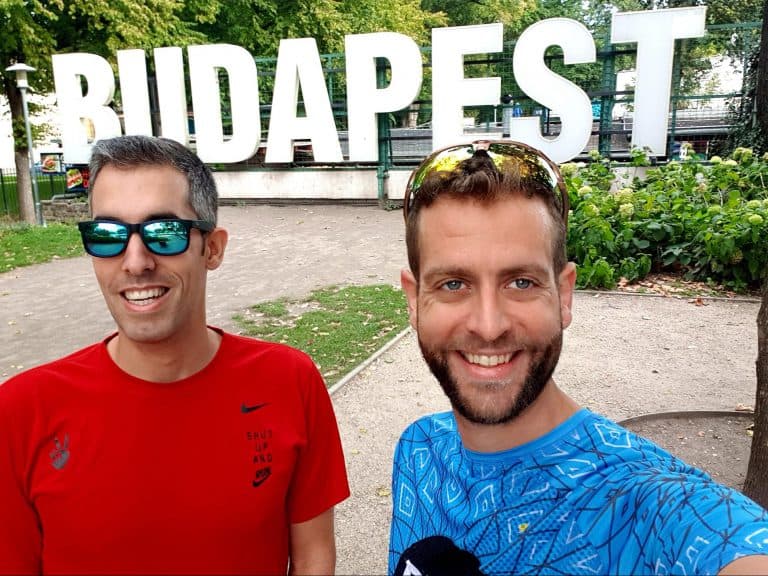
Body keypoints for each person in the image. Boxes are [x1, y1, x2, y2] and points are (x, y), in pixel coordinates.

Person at [388, 140, 768, 576]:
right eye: (454, 284)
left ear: (564, 295)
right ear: (414, 301)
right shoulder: (419, 449)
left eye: (521, 283)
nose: (489, 327)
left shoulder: (646, 506)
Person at [0, 135, 350, 575]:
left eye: (163, 233)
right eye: (107, 235)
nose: (135, 262)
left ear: (212, 248)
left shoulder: (289, 382)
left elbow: (313, 557)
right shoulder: (22, 413)